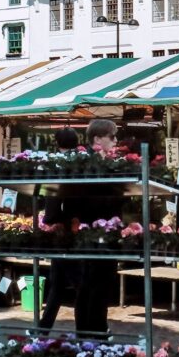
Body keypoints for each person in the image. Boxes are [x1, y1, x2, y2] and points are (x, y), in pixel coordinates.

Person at [72, 118, 125, 334]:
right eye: (111, 137)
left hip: (107, 232)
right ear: (97, 139)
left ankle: (98, 330)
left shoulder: (108, 163)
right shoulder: (87, 163)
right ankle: (88, 332)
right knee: (90, 284)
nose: (115, 141)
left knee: (102, 284)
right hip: (91, 232)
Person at [38, 127, 82, 331]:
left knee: (69, 280)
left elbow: (52, 194)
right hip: (81, 225)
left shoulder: (56, 163)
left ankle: (88, 326)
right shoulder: (83, 160)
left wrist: (48, 219)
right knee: (61, 279)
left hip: (62, 228)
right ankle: (44, 326)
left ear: (57, 143)